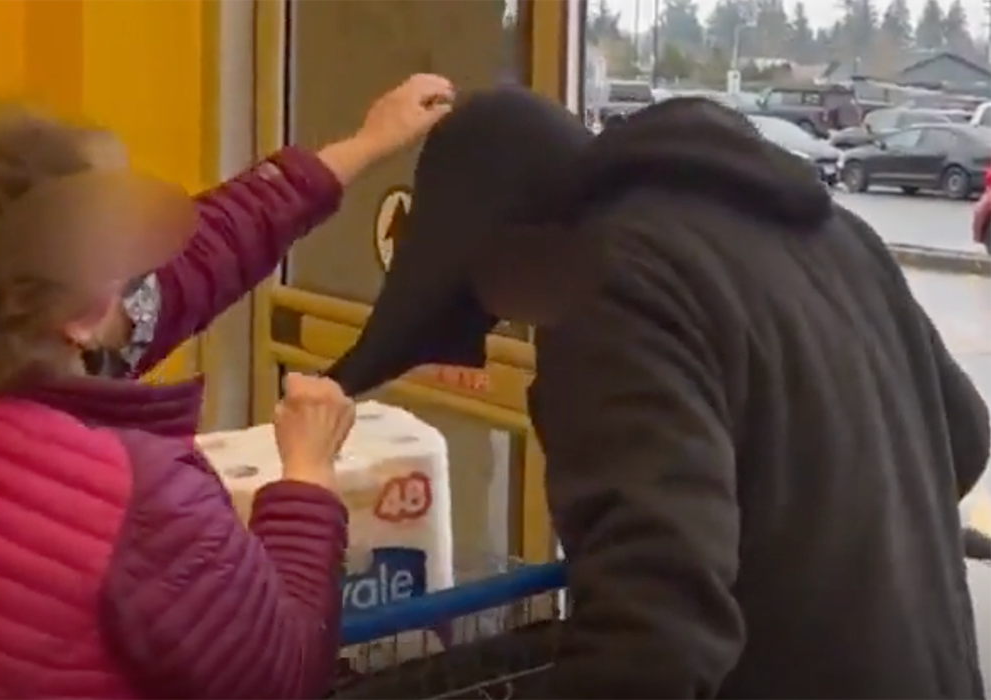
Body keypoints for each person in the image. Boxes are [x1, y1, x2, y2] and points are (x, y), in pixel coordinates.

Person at [326, 88, 991, 699]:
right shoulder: (834, 233)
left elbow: (654, 638)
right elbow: (963, 438)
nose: (513, 324)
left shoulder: (609, 285)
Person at [0, 74, 454, 700]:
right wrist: (308, 475)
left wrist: (367, 143)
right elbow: (281, 674)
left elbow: (201, 257)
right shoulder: (139, 502)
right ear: (78, 317)